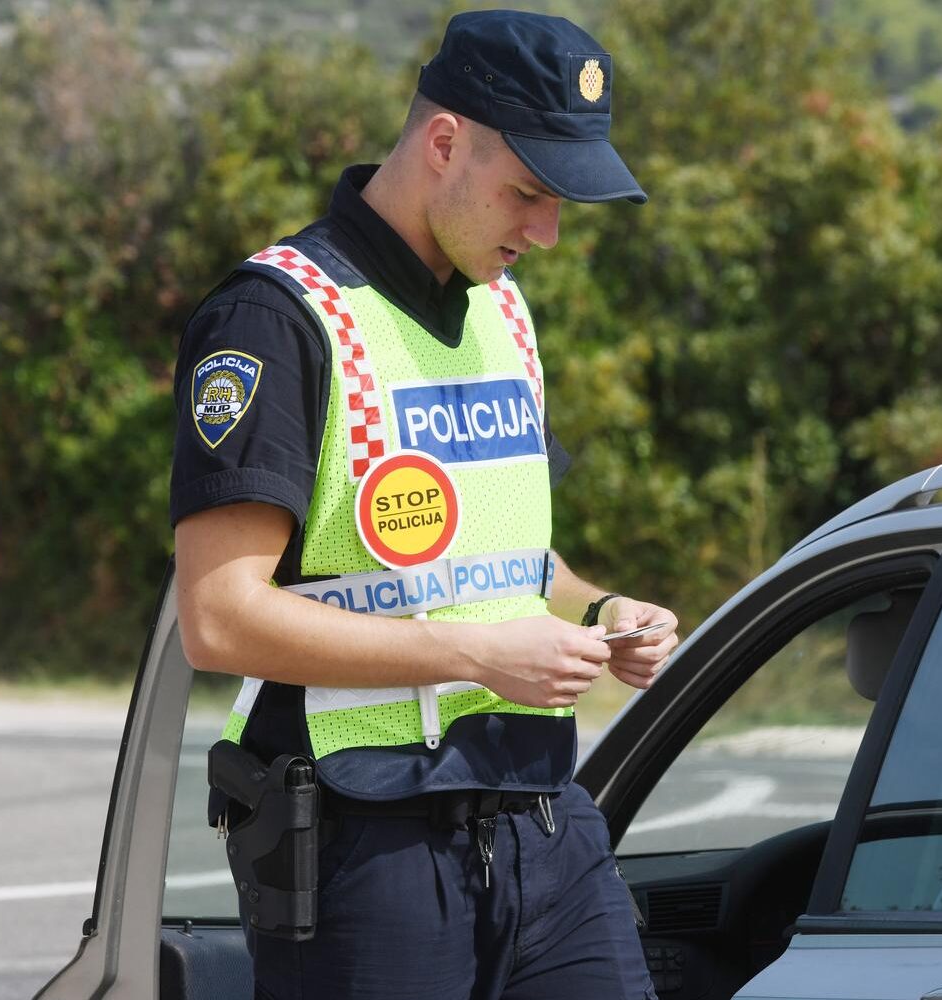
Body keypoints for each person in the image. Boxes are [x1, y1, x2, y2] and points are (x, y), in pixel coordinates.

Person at [169, 10, 675, 998]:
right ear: (444, 142)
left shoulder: (502, 308)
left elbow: (511, 560)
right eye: (528, 192)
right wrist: (478, 655)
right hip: (367, 842)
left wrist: (600, 610)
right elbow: (218, 617)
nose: (546, 231)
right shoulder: (276, 316)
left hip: (542, 819)